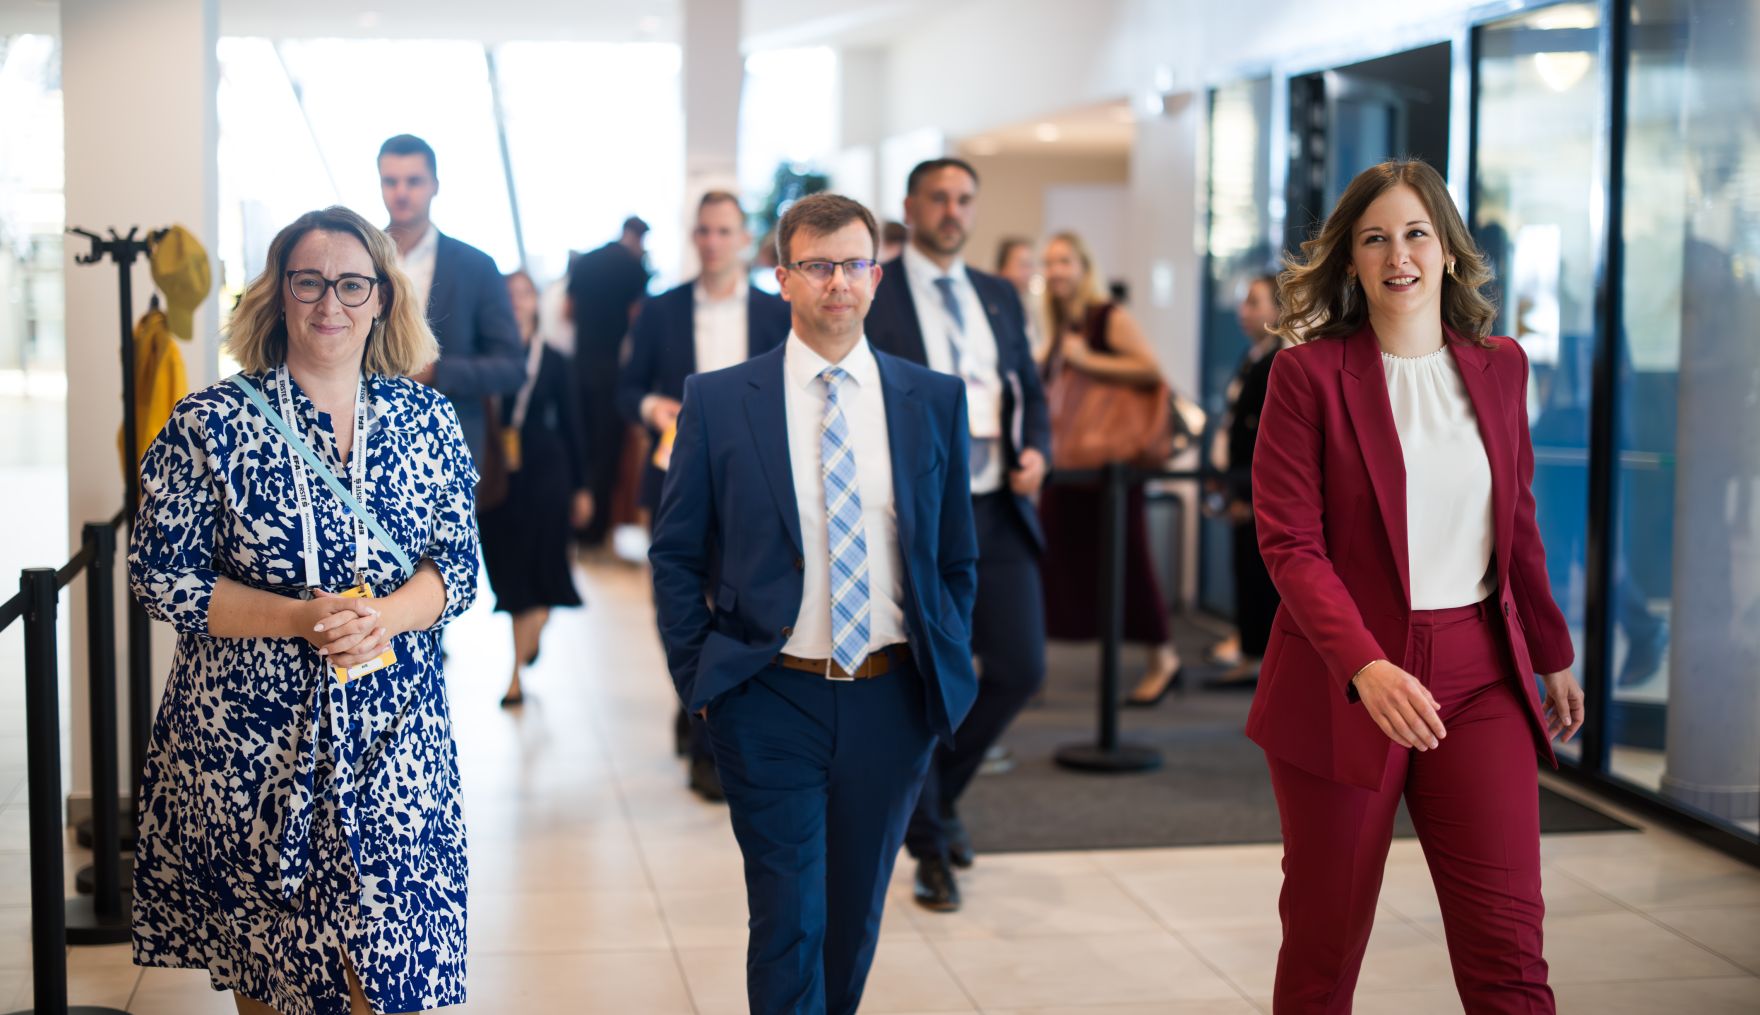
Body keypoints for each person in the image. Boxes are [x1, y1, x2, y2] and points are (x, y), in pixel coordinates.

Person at [1247, 159, 1585, 1013]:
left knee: (1511, 947)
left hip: (1481, 673)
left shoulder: (1502, 365)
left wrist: (1550, 651)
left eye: (1415, 233)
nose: (1398, 254)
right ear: (1351, 261)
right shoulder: (1307, 376)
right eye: (1374, 238)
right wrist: (1365, 665)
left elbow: (1516, 521)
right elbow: (1291, 545)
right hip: (1345, 680)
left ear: (1446, 249)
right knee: (1325, 949)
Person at [129, 206, 479, 1015]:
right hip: (250, 746)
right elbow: (160, 578)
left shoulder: (426, 420)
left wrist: (388, 614)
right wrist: (297, 618)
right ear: (277, 295)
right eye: (309, 282)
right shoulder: (210, 422)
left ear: (383, 298)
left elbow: (455, 568)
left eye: (353, 284)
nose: (331, 303)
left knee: (387, 971)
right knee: (278, 976)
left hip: (395, 738)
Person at [649, 193, 978, 1015]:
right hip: (769, 694)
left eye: (856, 264)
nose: (840, 283)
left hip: (892, 697)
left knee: (851, 920)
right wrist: (704, 680)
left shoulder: (929, 400)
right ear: (783, 277)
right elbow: (677, 551)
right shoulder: (723, 400)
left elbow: (955, 556)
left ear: (877, 274)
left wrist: (942, 661)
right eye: (819, 266)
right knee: (788, 917)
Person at [865, 158, 1050, 913]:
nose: (951, 209)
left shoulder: (999, 294)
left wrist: (1038, 448)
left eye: (963, 198)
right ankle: (933, 841)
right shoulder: (877, 291)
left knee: (1020, 665)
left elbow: (1029, 393)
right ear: (911, 206)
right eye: (937, 197)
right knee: (926, 678)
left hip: (999, 505)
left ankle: (936, 806)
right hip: (919, 513)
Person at [617, 190, 791, 801]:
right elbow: (627, 386)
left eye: (724, 231)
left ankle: (724, 727)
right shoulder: (662, 311)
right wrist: (650, 405)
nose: (713, 242)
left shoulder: (775, 313)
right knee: (681, 603)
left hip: (757, 483)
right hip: (675, 475)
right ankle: (697, 722)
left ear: (744, 238)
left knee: (742, 604)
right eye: (704, 232)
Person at [1036, 230, 1185, 706]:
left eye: (1064, 261)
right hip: (1073, 467)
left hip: (1111, 466)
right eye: (1050, 263)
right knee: (1058, 560)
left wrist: (1088, 360)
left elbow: (1150, 370)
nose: (1056, 271)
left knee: (1129, 560)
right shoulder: (1065, 326)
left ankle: (1163, 657)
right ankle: (1029, 661)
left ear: (1083, 266)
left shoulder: (1106, 318)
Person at [482, 269, 594, 708]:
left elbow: (574, 427)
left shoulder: (553, 360)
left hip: (546, 472)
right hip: (497, 475)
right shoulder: (487, 356)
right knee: (509, 573)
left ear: (536, 302)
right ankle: (530, 629)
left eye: (524, 293)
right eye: (508, 294)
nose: (516, 301)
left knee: (540, 570)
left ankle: (514, 677)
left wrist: (582, 487)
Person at [377, 133, 525, 462]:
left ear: (435, 185)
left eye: (413, 181)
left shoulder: (476, 266)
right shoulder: (360, 260)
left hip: (450, 442)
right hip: (368, 438)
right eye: (390, 181)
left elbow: (512, 368)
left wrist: (437, 372)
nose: (401, 192)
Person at [1206, 272, 1284, 689]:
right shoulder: (1253, 356)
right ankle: (1252, 652)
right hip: (1241, 484)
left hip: (1258, 492)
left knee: (1259, 575)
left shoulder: (1277, 363)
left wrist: (1244, 490)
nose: (1244, 311)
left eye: (1255, 303)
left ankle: (1261, 660)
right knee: (1245, 570)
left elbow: (1266, 440)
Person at [569, 215, 653, 547]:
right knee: (606, 452)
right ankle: (596, 529)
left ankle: (575, 525)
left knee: (580, 446)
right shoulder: (634, 269)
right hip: (612, 372)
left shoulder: (586, 261)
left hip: (578, 367)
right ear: (640, 236)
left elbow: (568, 310)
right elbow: (638, 319)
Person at [994, 235, 1044, 355]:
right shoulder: (993, 310)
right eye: (1023, 265)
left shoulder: (1029, 308)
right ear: (1002, 269)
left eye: (1031, 265)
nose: (1030, 272)